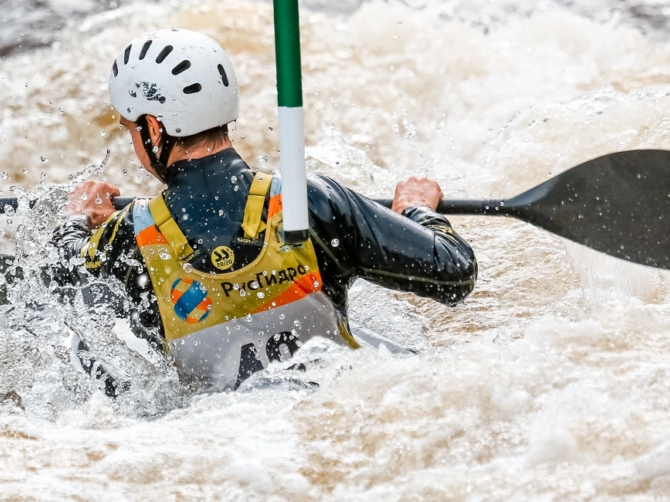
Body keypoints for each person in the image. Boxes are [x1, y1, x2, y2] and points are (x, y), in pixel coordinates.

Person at [54, 28, 476, 391]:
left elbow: (56, 283)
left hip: (221, 441)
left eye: (131, 130)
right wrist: (418, 210)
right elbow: (454, 273)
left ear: (152, 127)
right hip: (333, 405)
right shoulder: (307, 201)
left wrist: (77, 218)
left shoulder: (130, 236)